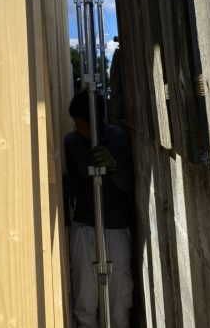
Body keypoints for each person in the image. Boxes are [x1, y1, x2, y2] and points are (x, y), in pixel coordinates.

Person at [64, 90, 134, 328]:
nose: (80, 131)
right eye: (77, 125)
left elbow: (129, 184)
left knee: (119, 296)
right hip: (85, 223)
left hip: (115, 224)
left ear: (98, 122)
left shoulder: (118, 139)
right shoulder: (72, 143)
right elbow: (73, 185)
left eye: (84, 126)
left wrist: (113, 167)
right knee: (84, 295)